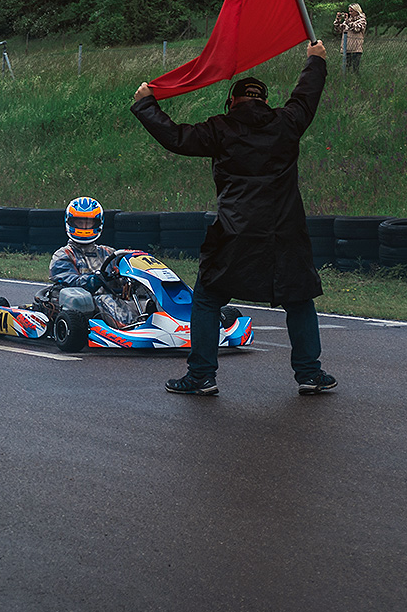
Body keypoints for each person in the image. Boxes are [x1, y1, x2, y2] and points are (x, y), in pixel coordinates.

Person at [132, 41, 335, 397]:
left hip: (236, 231)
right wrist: (315, 61)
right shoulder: (287, 123)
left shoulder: (221, 129)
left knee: (208, 298)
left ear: (233, 102)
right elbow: (306, 97)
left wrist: (146, 103)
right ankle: (309, 373)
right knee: (299, 299)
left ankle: (201, 376)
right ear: (264, 101)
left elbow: (176, 138)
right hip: (285, 231)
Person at [46, 197, 140, 328]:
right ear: (70, 222)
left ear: (98, 224)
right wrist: (91, 281)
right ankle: (130, 327)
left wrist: (125, 279)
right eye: (79, 223)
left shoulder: (109, 253)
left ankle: (159, 323)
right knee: (103, 299)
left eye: (89, 223)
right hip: (81, 307)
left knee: (145, 298)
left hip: (112, 301)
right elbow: (68, 280)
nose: (84, 227)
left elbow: (123, 278)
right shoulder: (64, 254)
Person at [333, 3, 366, 73]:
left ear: (357, 11)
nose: (350, 13)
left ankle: (357, 82)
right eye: (349, 11)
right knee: (346, 69)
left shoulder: (362, 20)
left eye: (352, 11)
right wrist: (338, 20)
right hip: (346, 48)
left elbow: (356, 28)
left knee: (355, 69)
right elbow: (338, 30)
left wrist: (348, 21)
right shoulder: (347, 21)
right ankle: (347, 82)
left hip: (356, 49)